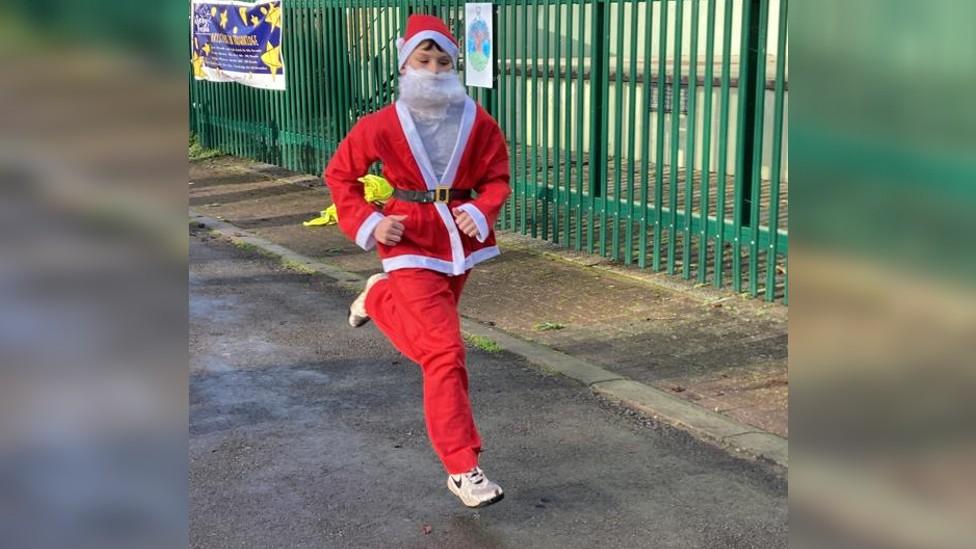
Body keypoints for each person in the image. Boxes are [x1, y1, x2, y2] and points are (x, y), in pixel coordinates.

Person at [323, 14, 510, 508]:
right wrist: (368, 221)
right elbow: (342, 174)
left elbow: (497, 178)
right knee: (445, 353)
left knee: (434, 349)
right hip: (405, 239)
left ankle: (379, 296)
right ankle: (461, 466)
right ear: (405, 64)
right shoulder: (382, 123)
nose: (432, 68)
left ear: (454, 65)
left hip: (458, 245)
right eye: (422, 59)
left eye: (442, 60)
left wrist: (480, 207)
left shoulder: (478, 119)